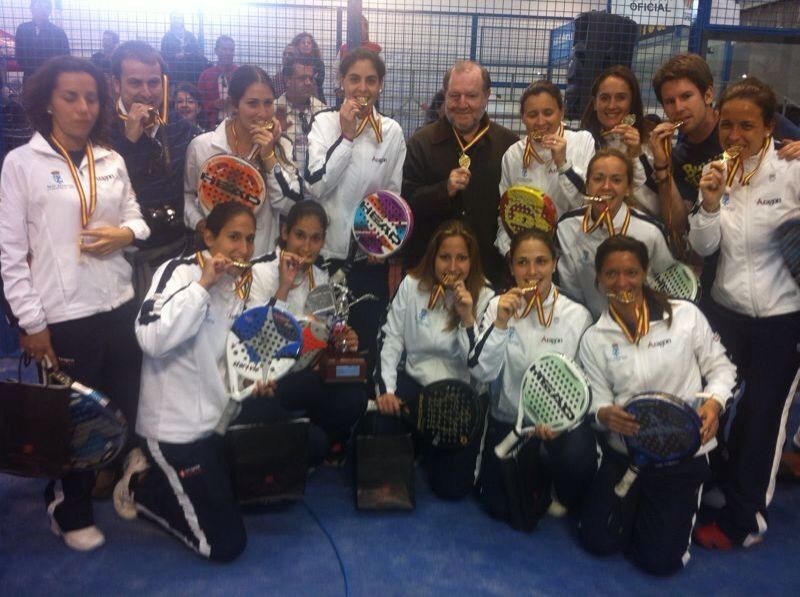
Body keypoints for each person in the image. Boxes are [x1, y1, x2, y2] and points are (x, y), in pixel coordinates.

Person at [0, 56, 149, 551]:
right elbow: (11, 255)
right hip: (64, 316)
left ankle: (115, 479)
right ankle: (70, 508)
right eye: (71, 96)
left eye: (91, 97)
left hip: (120, 303)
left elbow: (138, 220)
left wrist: (123, 233)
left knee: (124, 404)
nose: (84, 107)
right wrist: (31, 321)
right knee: (74, 417)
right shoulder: (22, 165)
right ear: (48, 102)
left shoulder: (110, 159)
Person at [578, 235, 736, 576]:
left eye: (631, 272)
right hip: (627, 454)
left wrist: (714, 402)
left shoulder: (685, 316)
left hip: (683, 455)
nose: (622, 282)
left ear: (646, 272)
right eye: (611, 274)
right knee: (597, 540)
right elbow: (598, 396)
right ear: (599, 279)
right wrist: (604, 413)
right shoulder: (595, 337)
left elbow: (721, 369)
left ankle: (664, 514)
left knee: (658, 563)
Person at [115, 202, 264, 562]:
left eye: (249, 239)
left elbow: (225, 355)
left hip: (213, 424)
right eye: (232, 237)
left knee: (250, 494)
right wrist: (203, 284)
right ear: (208, 236)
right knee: (224, 545)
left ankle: (176, 483)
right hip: (173, 431)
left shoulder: (239, 286)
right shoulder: (177, 273)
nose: (242, 249)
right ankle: (141, 486)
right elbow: (150, 339)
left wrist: (251, 378)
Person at [687, 77, 800, 550]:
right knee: (713, 401)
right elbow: (703, 245)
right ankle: (719, 481)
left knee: (761, 418)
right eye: (728, 126)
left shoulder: (793, 168)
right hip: (728, 313)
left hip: (783, 318)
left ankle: (745, 520)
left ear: (769, 127)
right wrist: (709, 204)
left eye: (746, 126)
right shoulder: (715, 171)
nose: (734, 136)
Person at [469, 229, 595, 525]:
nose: (532, 271)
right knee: (498, 506)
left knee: (576, 457)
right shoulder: (496, 306)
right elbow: (481, 371)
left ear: (554, 263)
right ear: (511, 266)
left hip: (555, 426)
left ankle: (560, 485)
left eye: (541, 261)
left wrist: (562, 422)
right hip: (507, 421)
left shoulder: (577, 316)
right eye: (522, 263)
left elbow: (585, 384)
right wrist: (501, 323)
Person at [649, 54, 800, 299]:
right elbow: (677, 223)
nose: (678, 108)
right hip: (722, 277)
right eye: (669, 101)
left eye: (686, 96)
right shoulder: (680, 155)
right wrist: (662, 165)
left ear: (708, 95)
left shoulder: (747, 114)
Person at [305, 47, 405, 387]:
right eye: (354, 79)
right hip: (325, 255)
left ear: (380, 86)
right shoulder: (323, 123)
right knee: (320, 343)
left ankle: (358, 413)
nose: (362, 88)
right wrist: (346, 136)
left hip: (368, 260)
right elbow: (317, 186)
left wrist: (383, 245)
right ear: (340, 82)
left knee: (361, 342)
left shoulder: (391, 132)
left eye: (371, 80)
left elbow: (392, 197)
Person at [375, 220, 493, 499]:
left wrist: (467, 317)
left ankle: (432, 447)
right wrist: (387, 391)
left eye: (461, 258)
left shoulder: (486, 295)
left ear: (471, 261)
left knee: (450, 489)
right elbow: (390, 339)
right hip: (415, 387)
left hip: (460, 396)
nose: (453, 267)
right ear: (433, 257)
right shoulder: (412, 285)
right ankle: (417, 439)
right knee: (380, 423)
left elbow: (482, 366)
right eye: (445, 257)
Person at [246, 201, 367, 465]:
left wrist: (341, 338)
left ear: (323, 240)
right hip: (265, 380)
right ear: (285, 232)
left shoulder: (320, 276)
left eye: (315, 238)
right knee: (312, 438)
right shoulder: (258, 271)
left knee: (354, 395)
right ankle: (302, 443)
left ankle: (316, 437)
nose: (306, 246)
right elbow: (257, 341)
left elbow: (323, 332)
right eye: (300, 235)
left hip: (303, 375)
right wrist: (284, 287)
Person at [403, 60, 518, 286]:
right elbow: (406, 205)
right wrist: (443, 190)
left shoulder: (508, 146)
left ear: (487, 96)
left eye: (472, 96)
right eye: (455, 96)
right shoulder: (421, 143)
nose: (462, 104)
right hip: (430, 275)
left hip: (489, 273)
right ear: (445, 94)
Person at [110, 41, 198, 302]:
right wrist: (129, 142)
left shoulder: (182, 129)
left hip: (177, 249)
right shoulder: (102, 132)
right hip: (127, 259)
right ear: (117, 84)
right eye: (135, 83)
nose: (146, 92)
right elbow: (109, 193)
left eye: (154, 82)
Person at [184, 65, 301, 257]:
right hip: (214, 261)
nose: (262, 113)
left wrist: (268, 155)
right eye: (252, 103)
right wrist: (199, 223)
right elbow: (188, 196)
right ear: (233, 104)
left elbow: (289, 206)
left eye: (268, 103)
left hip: (260, 259)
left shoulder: (283, 147)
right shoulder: (202, 146)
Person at [555, 148, 675, 319]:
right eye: (598, 179)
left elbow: (667, 287)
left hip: (642, 325)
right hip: (590, 327)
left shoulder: (650, 231)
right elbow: (570, 289)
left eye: (616, 180)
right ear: (587, 185)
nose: (606, 187)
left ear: (628, 188)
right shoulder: (567, 227)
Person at [494, 80, 595, 257]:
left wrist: (563, 164)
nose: (541, 121)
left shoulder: (582, 141)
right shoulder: (514, 155)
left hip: (572, 252)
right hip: (528, 256)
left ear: (561, 112)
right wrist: (510, 252)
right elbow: (506, 213)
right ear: (523, 117)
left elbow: (586, 201)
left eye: (548, 113)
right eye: (532, 114)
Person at [579, 65, 659, 218]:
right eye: (604, 98)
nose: (611, 105)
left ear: (631, 103)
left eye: (621, 97)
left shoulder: (650, 143)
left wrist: (636, 154)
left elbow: (655, 206)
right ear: (595, 103)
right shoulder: (582, 142)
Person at [275, 52, 326, 198]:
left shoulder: (322, 111)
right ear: (288, 80)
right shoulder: (274, 112)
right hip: (284, 193)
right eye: (302, 78)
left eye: (311, 78)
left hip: (317, 191)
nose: (309, 82)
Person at [14, 0, 70, 82]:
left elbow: (65, 57)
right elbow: (19, 54)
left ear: (50, 11)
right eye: (39, 7)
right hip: (30, 75)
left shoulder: (58, 32)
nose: (42, 10)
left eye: (46, 7)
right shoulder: (23, 29)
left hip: (51, 77)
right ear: (32, 9)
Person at [196, 36, 237, 129]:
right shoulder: (206, 75)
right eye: (224, 49)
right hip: (212, 124)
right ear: (216, 51)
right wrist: (214, 104)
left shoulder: (240, 73)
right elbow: (198, 102)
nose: (228, 53)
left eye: (231, 50)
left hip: (237, 122)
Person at [159, 13, 208, 85]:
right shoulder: (167, 37)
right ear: (171, 21)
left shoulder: (190, 35)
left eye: (179, 18)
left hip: (190, 70)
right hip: (175, 71)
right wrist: (174, 56)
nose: (177, 20)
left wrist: (187, 55)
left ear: (182, 21)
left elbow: (197, 52)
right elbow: (163, 55)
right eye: (174, 18)